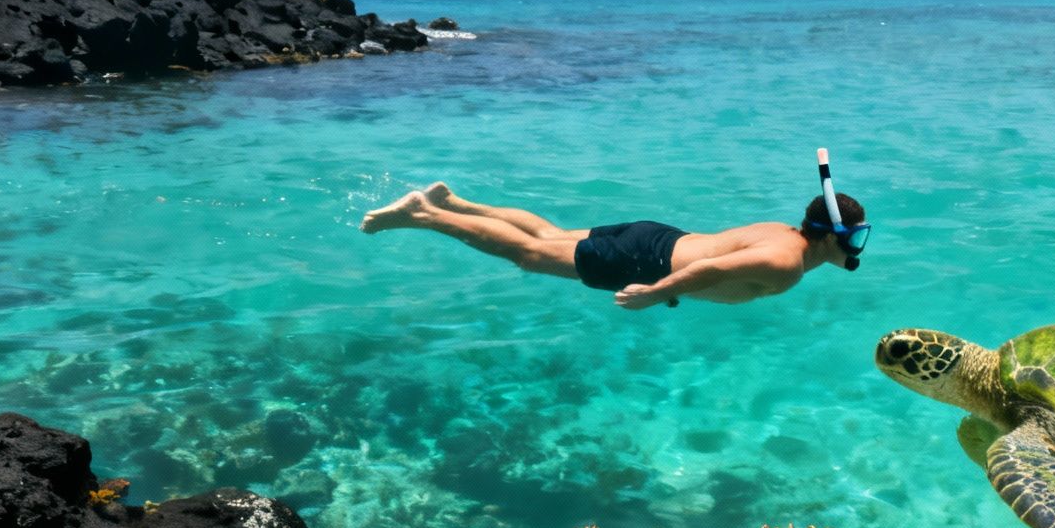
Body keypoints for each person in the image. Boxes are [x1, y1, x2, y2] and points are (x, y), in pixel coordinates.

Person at [359, 182, 870, 309]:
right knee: (528, 254)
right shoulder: (786, 263)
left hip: (658, 235)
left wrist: (668, 286)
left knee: (546, 233)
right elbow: (713, 270)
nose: (859, 246)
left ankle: (456, 200)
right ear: (830, 237)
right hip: (645, 260)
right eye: (856, 235)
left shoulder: (784, 231)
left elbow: (715, 261)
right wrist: (654, 291)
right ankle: (425, 214)